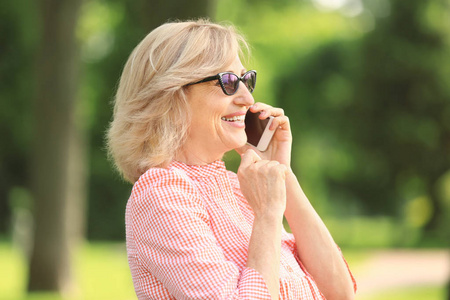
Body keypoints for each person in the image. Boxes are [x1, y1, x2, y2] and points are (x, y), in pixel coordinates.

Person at [107, 19, 357, 300]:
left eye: (246, 79)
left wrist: (281, 175)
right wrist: (266, 216)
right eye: (227, 82)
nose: (247, 98)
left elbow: (340, 292)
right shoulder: (163, 193)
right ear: (172, 98)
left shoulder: (241, 186)